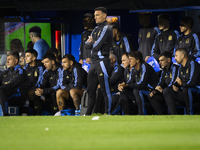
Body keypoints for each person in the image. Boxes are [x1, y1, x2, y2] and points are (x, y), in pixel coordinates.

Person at [85, 7, 113, 115]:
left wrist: (93, 43)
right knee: (90, 91)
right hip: (93, 63)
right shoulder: (95, 29)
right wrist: (93, 43)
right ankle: (87, 115)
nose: (94, 17)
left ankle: (108, 113)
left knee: (105, 90)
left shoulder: (107, 28)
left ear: (104, 16)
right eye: (94, 15)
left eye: (97, 15)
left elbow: (96, 46)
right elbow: (86, 45)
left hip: (102, 62)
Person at [163, 48, 200, 115]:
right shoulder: (181, 67)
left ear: (182, 55)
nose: (175, 58)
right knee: (167, 90)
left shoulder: (193, 64)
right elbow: (178, 80)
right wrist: (175, 85)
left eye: (176, 55)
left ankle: (190, 114)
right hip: (185, 92)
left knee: (187, 89)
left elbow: (192, 82)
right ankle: (173, 115)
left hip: (196, 92)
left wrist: (181, 84)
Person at [0, 51, 28, 116]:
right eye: (7, 60)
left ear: (15, 61)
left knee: (1, 90)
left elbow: (12, 84)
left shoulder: (20, 71)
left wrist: (2, 88)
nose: (7, 62)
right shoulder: (4, 73)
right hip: (6, 95)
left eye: (9, 59)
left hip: (18, 96)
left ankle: (5, 114)